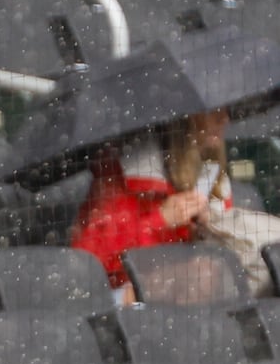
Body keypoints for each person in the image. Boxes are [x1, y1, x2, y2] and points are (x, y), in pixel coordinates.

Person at [72, 108, 278, 298]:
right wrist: (159, 220)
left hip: (202, 314)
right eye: (212, 110)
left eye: (225, 109)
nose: (224, 118)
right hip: (135, 316)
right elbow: (87, 265)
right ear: (184, 117)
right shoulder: (125, 177)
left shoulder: (214, 180)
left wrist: (208, 228)